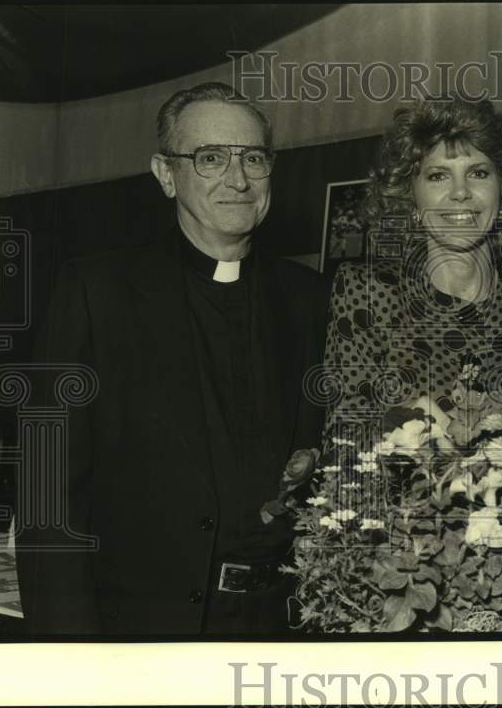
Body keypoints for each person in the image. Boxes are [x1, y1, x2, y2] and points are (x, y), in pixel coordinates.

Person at [16, 82, 326, 636]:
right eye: (210, 158)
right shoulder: (94, 291)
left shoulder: (311, 298)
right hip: (141, 628)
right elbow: (48, 496)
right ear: (165, 174)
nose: (238, 179)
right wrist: (64, 658)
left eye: (253, 158)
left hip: (287, 625)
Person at [324, 96, 502, 441]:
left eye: (478, 173)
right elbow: (342, 440)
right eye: (437, 176)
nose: (460, 192)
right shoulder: (368, 292)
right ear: (409, 195)